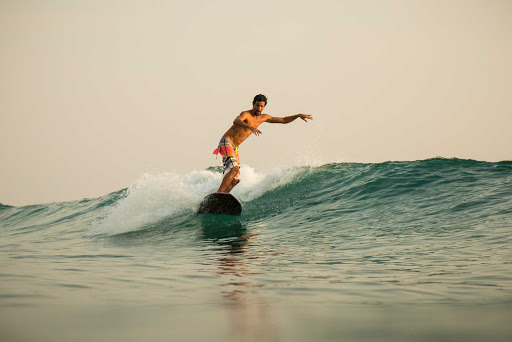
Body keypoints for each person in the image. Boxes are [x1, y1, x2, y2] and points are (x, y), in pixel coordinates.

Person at [213, 94, 313, 193]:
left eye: (262, 106)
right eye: (257, 105)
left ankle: (223, 196)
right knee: (234, 170)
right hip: (226, 142)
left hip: (234, 148)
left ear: (264, 106)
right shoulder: (246, 114)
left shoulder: (263, 118)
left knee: (236, 179)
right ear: (253, 104)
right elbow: (236, 120)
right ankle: (219, 193)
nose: (259, 108)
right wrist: (249, 127)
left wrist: (298, 115)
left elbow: (284, 120)